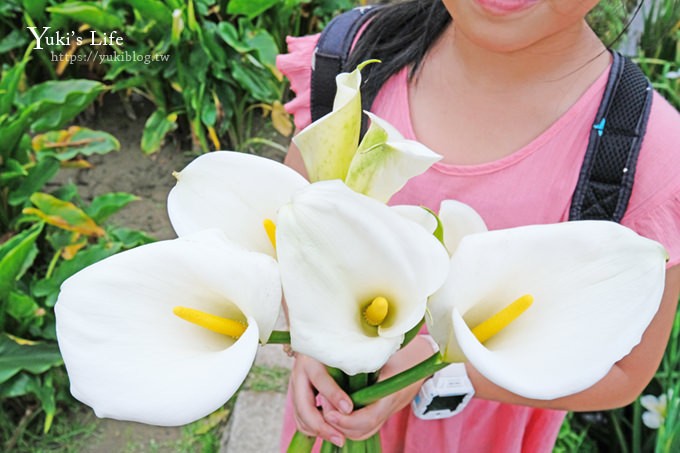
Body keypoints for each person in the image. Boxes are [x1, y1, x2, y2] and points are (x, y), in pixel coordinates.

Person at [276, 0, 680, 451]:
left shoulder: (650, 154)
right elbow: (293, 223)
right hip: (327, 418)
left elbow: (624, 375)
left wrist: (437, 366)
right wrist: (311, 339)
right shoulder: (359, 54)